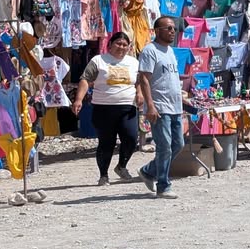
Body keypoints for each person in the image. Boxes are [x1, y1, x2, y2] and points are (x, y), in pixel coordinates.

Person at [72, 31, 143, 186]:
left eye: (125, 45)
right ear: (110, 44)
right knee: (106, 143)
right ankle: (103, 175)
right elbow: (85, 79)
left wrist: (140, 94)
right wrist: (79, 100)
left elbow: (139, 81)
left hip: (128, 107)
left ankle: (121, 166)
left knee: (131, 139)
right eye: (118, 43)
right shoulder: (98, 60)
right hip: (103, 108)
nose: (121, 47)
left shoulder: (134, 62)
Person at [137, 16, 185, 199]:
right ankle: (163, 186)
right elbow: (144, 79)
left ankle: (149, 171)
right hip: (159, 106)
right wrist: (150, 105)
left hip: (175, 106)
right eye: (168, 28)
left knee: (177, 144)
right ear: (157, 31)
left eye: (174, 28)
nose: (172, 31)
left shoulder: (170, 51)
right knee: (164, 146)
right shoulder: (150, 51)